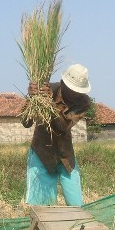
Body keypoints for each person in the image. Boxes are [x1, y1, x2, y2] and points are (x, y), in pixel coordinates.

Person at [22, 63, 92, 206]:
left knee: (77, 205)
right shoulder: (48, 90)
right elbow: (26, 122)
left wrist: (50, 104)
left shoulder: (84, 102)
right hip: (42, 153)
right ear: (62, 84)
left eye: (79, 92)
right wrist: (31, 98)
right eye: (73, 91)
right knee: (40, 206)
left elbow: (62, 127)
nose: (76, 95)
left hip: (65, 155)